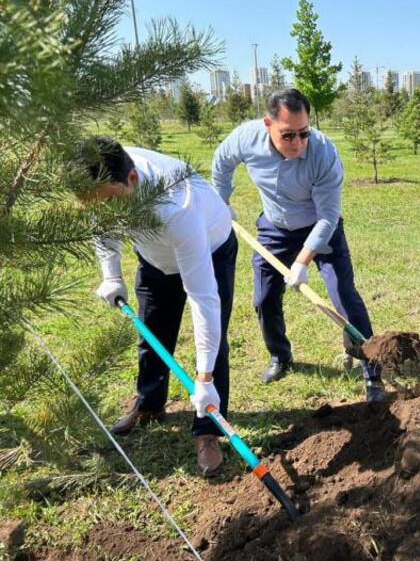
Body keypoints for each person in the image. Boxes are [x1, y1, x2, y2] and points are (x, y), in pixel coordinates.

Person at [211, 88, 385, 402]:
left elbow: (328, 217)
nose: (298, 143)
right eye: (288, 135)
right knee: (264, 298)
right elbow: (222, 162)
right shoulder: (246, 138)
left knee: (343, 294)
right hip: (275, 228)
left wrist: (303, 261)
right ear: (268, 124)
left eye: (304, 133)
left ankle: (371, 369)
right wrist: (222, 202)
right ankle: (280, 356)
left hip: (320, 227)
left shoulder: (323, 153)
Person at [77, 137, 237, 476]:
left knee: (213, 340)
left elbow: (203, 299)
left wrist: (204, 378)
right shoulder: (105, 182)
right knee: (152, 329)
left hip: (210, 246)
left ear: (133, 180)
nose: (105, 211)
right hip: (154, 256)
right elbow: (100, 222)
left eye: (110, 201)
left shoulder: (178, 205)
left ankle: (208, 427)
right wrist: (111, 275)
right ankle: (149, 403)